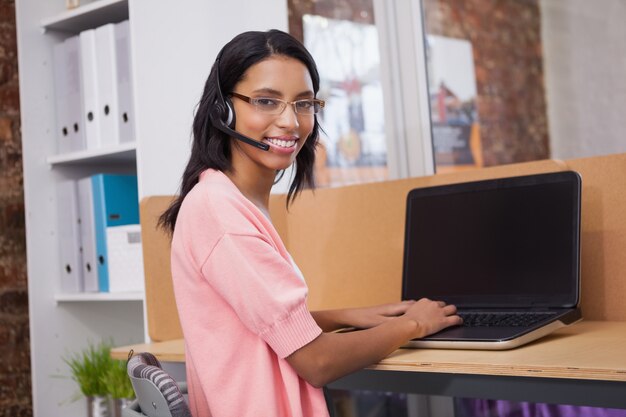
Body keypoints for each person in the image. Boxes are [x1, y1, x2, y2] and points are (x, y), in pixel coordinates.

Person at [159, 29, 462, 417]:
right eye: (266, 101)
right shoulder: (222, 213)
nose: (290, 121)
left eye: (304, 104)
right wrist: (414, 325)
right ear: (223, 110)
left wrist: (346, 317)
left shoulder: (223, 199)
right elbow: (317, 362)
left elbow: (255, 329)